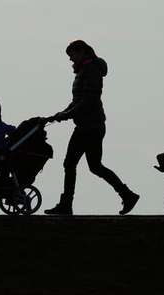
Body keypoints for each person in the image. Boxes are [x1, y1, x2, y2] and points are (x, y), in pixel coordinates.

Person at [44, 40, 139, 215]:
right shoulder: (86, 70)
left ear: (82, 52)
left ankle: (66, 205)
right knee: (94, 166)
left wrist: (66, 115)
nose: (71, 59)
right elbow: (78, 100)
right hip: (89, 125)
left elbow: (88, 100)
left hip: (89, 126)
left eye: (72, 54)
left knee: (71, 163)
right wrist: (62, 114)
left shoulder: (91, 70)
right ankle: (127, 195)